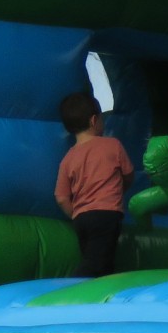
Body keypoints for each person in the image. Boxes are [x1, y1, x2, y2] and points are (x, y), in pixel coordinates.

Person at [55, 93, 134, 278]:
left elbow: (61, 197)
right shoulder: (112, 145)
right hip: (106, 215)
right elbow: (128, 175)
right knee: (95, 265)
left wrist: (75, 213)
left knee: (102, 263)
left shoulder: (68, 158)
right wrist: (118, 192)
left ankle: (97, 302)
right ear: (94, 120)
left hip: (82, 219)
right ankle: (69, 291)